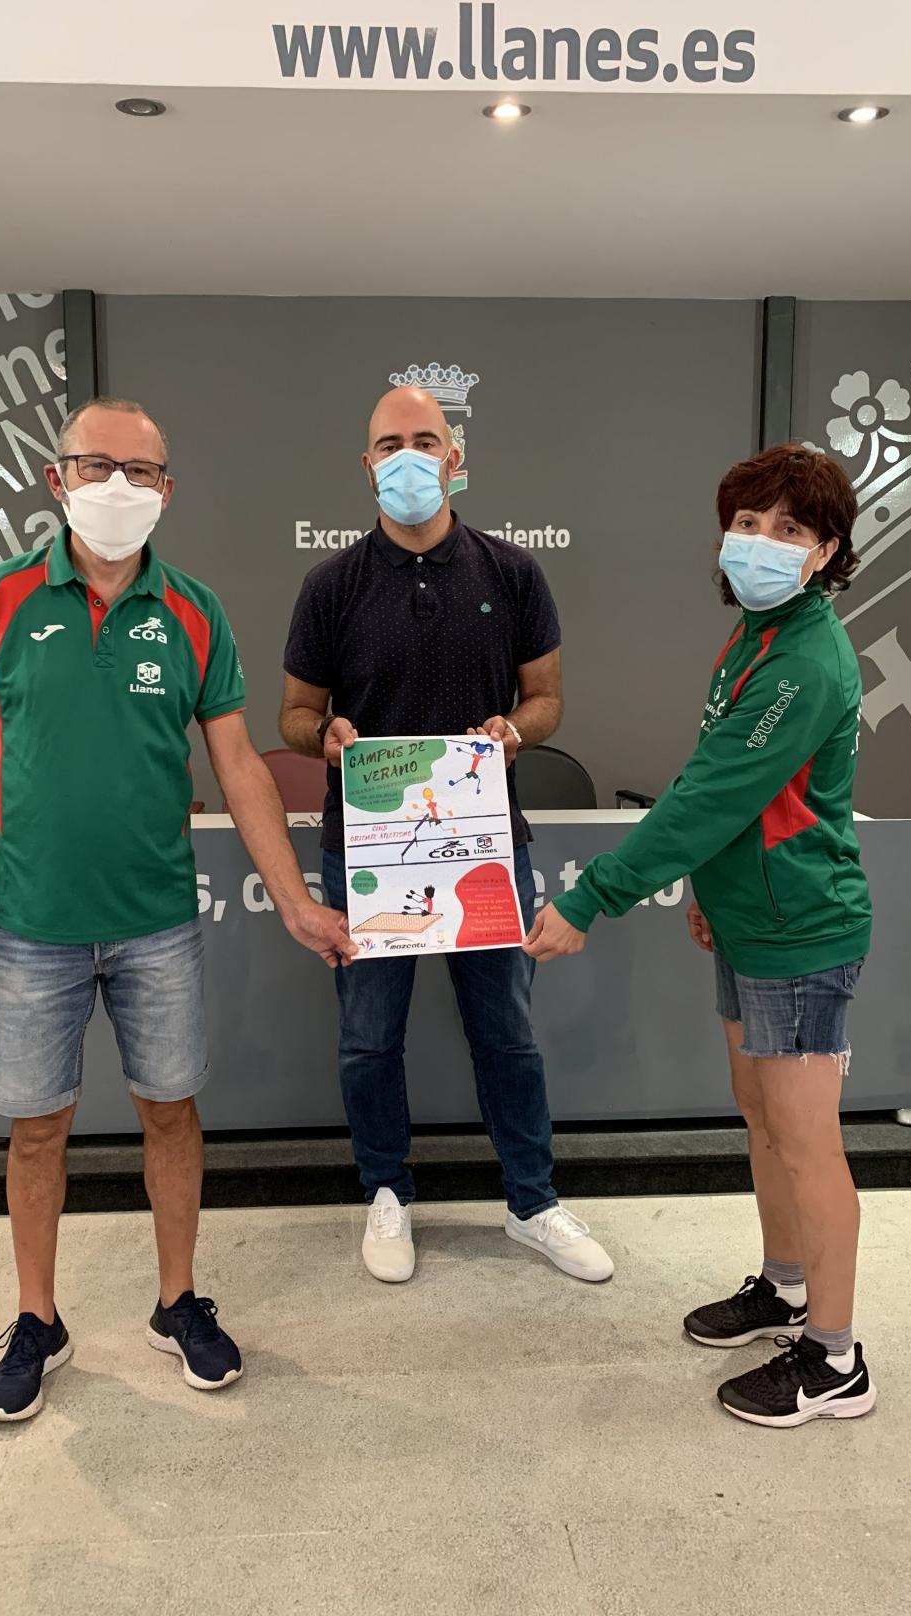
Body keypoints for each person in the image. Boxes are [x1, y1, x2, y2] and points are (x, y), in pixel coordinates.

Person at [0, 395, 355, 1422]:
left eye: (140, 470)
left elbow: (238, 764)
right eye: (95, 465)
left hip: (157, 920)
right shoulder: (1, 598)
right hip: (32, 925)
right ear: (55, 479)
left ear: (168, 488)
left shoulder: (194, 610)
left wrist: (296, 899)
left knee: (170, 1111)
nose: (117, 485)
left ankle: (176, 1300)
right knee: (37, 1130)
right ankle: (37, 1318)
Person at [526, 443, 876, 1428]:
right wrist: (711, 893)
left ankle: (836, 1358)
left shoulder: (803, 661)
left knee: (808, 1142)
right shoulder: (756, 635)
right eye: (748, 523)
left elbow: (712, 797)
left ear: (826, 551)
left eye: (790, 529)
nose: (761, 541)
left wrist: (591, 898)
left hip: (802, 929)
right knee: (762, 1116)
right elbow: (719, 775)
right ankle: (785, 1285)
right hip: (749, 918)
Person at [279, 383, 612, 1285]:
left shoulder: (512, 573)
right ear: (367, 465)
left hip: (483, 842)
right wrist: (326, 736)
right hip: (368, 847)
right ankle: (387, 1192)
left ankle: (532, 1203)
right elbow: (295, 714)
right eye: (390, 445)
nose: (408, 458)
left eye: (425, 441)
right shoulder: (330, 585)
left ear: (455, 457)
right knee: (367, 1037)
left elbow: (546, 699)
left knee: (507, 1033)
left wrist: (514, 731)